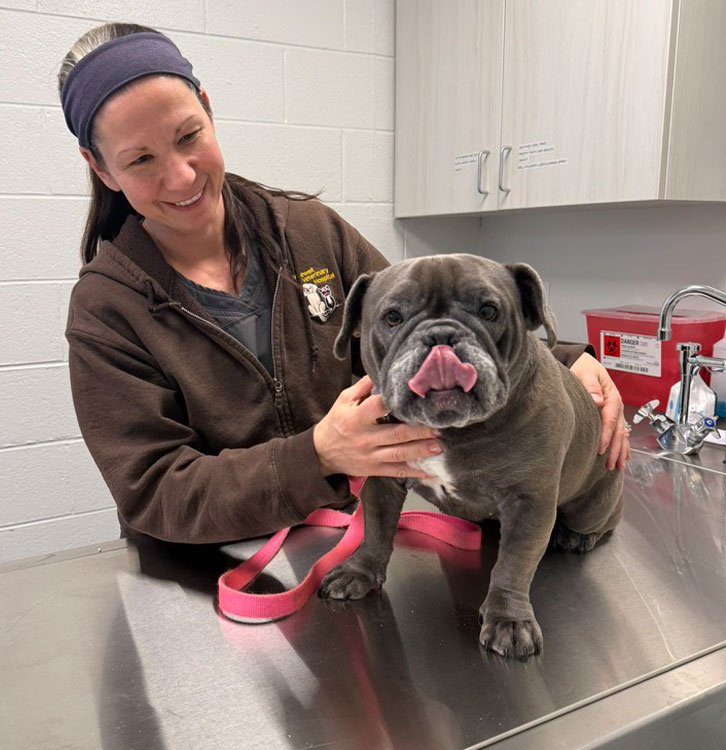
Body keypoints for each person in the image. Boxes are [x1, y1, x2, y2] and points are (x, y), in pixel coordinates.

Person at [58, 23, 630, 544]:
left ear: (208, 110)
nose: (180, 175)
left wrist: (562, 360)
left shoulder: (308, 232)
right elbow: (155, 493)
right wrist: (316, 455)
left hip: (341, 542)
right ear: (100, 167)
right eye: (140, 160)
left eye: (189, 136)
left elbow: (419, 328)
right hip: (204, 568)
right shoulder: (107, 308)